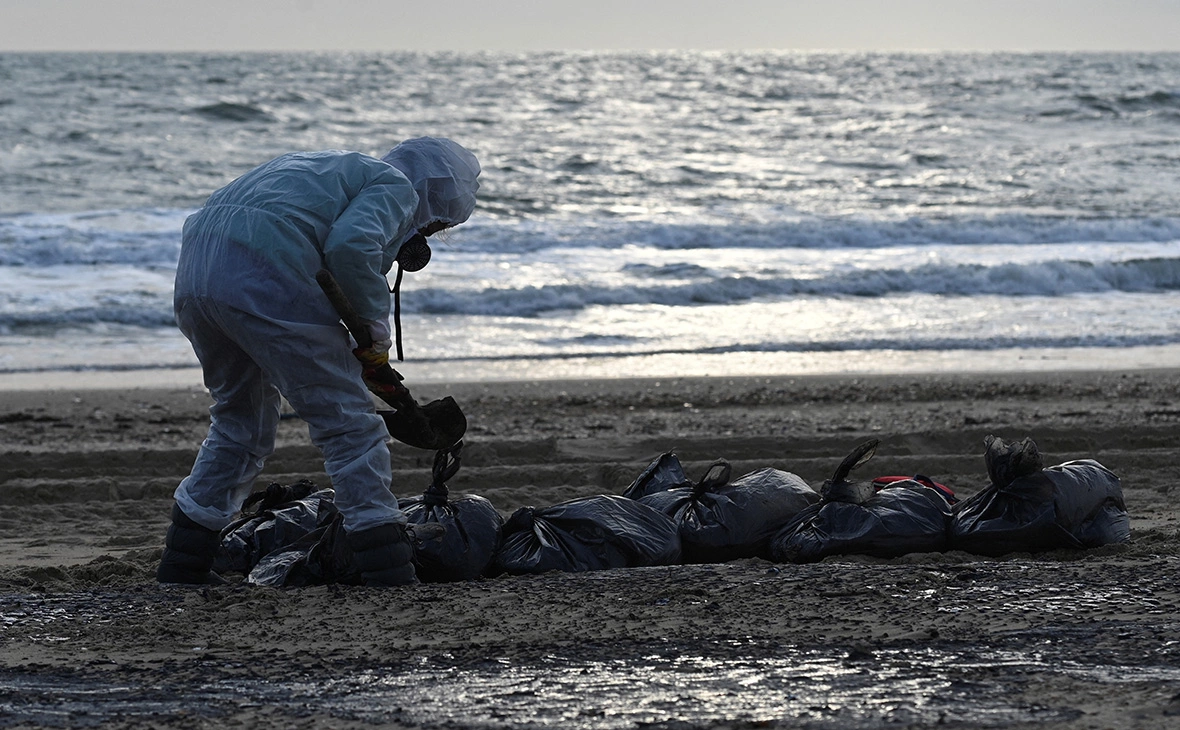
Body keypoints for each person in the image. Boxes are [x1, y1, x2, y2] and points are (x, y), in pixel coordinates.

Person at [157, 137, 481, 586]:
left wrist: (360, 346)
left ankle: (183, 564)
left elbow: (311, 237)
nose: (422, 235)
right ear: (432, 197)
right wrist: (374, 330)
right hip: (264, 277)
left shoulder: (330, 169)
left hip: (198, 275)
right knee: (350, 426)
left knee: (240, 420)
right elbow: (352, 247)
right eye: (433, 225)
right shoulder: (397, 187)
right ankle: (387, 568)